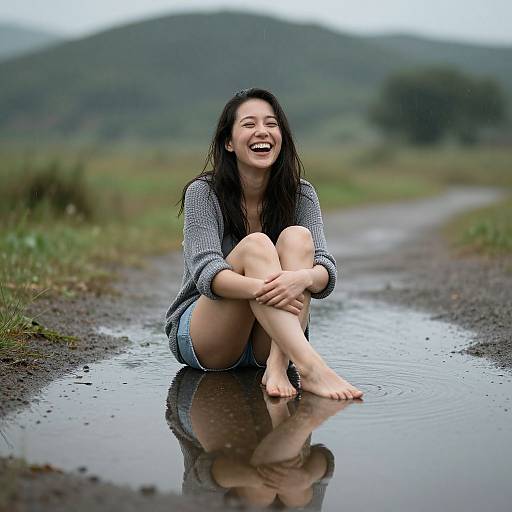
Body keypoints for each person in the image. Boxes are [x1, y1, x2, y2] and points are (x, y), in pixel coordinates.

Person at [165, 87, 363, 400]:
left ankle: (278, 364)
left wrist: (301, 278)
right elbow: (207, 275)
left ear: (282, 136)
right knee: (256, 244)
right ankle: (311, 367)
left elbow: (325, 271)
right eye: (249, 124)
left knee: (298, 237)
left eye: (271, 124)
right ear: (228, 142)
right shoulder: (203, 193)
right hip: (209, 338)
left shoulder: (302, 194)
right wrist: (266, 289)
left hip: (268, 344)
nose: (262, 132)